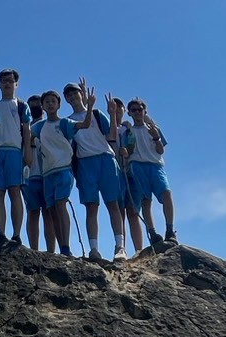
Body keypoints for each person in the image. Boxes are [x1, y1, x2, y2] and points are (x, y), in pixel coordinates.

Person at [30, 85, 99, 256]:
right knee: (52, 210)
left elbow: (85, 124)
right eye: (47, 102)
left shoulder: (65, 123)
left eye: (53, 101)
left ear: (59, 104)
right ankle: (62, 248)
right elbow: (26, 134)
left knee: (61, 205)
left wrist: (89, 106)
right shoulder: (39, 127)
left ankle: (66, 247)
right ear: (43, 106)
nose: (50, 104)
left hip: (64, 170)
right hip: (47, 173)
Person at [63, 78, 127, 261]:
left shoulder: (98, 114)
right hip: (85, 163)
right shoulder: (68, 121)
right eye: (69, 95)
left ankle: (120, 247)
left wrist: (112, 114)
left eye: (75, 92)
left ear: (81, 93)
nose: (73, 96)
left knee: (113, 204)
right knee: (91, 207)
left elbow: (112, 135)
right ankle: (94, 249)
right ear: (66, 99)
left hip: (106, 159)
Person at [0, 69, 32, 244]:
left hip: (15, 151)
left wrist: (28, 151)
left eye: (10, 80)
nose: (7, 83)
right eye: (4, 81)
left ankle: (16, 234)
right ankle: (1, 233)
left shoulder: (21, 105)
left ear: (16, 84)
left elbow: (27, 130)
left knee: (15, 192)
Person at [126, 97, 178, 244]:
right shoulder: (128, 131)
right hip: (137, 165)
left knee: (166, 193)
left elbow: (160, 150)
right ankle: (152, 232)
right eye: (134, 110)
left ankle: (170, 229)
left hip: (155, 165)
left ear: (145, 111)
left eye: (140, 109)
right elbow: (129, 151)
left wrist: (156, 138)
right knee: (146, 199)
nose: (137, 112)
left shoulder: (153, 128)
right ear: (129, 113)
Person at [106, 95, 149, 255]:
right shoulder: (107, 128)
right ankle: (121, 247)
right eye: (114, 107)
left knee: (133, 211)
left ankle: (139, 250)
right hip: (116, 172)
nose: (117, 110)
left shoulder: (130, 128)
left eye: (120, 107)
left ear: (125, 111)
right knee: (119, 211)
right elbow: (109, 139)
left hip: (131, 172)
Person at [22, 93, 55, 252]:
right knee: (32, 212)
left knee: (49, 213)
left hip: (47, 173)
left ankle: (51, 251)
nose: (35, 107)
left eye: (37, 104)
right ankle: (34, 250)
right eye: (32, 104)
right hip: (29, 174)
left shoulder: (49, 125)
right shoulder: (23, 127)